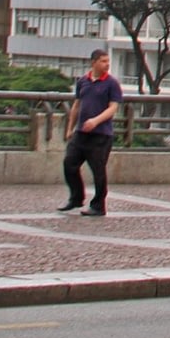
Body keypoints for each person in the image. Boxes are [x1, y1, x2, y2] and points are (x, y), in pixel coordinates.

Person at [59, 48, 122, 217]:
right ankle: (76, 197)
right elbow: (76, 105)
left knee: (98, 171)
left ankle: (98, 205)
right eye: (103, 61)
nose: (106, 65)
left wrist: (96, 120)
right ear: (93, 63)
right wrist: (70, 127)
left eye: (108, 61)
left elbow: (113, 108)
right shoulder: (83, 82)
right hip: (81, 133)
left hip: (101, 135)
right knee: (69, 163)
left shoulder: (111, 83)